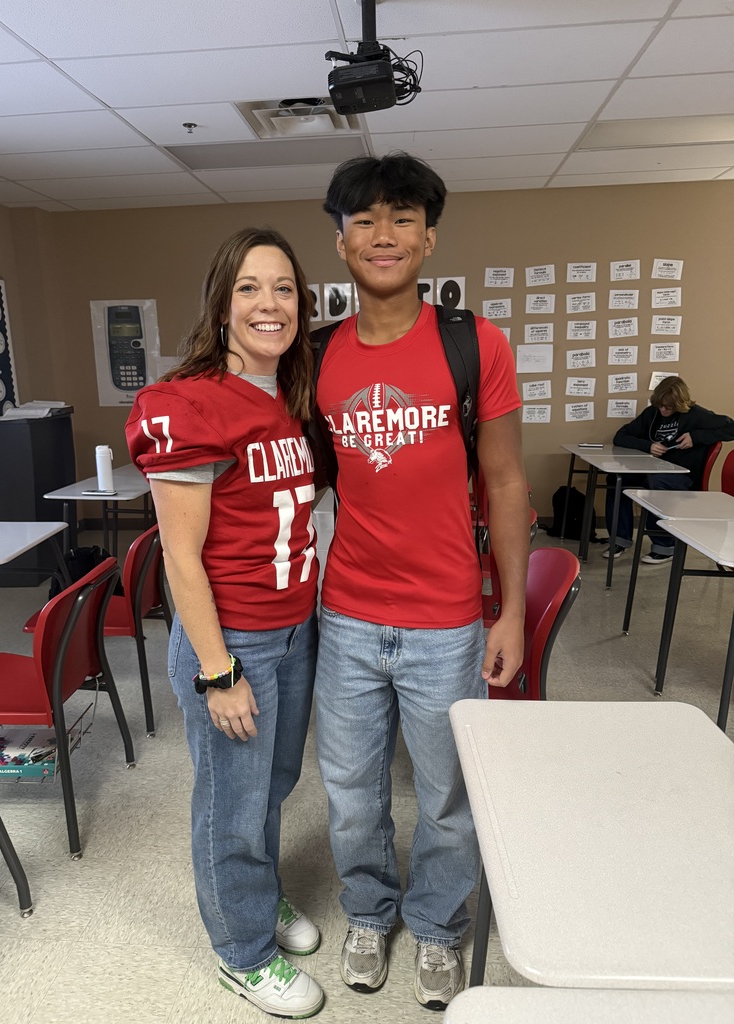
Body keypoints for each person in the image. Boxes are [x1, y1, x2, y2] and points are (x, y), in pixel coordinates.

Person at [312, 153, 529, 1009]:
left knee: (446, 795)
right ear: (340, 242)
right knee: (351, 793)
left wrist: (510, 612)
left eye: (402, 218)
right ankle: (370, 913)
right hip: (347, 617)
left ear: (429, 239)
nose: (384, 235)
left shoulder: (475, 345)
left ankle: (438, 925)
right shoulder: (317, 356)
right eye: (364, 220)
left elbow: (505, 482)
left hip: (445, 620)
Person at [125, 227, 324, 1020]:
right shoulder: (189, 401)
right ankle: (242, 953)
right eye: (248, 287)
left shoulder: (288, 394)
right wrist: (218, 671)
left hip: (294, 629)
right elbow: (180, 559)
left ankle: (258, 895)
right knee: (232, 805)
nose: (268, 303)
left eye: (283, 288)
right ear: (220, 303)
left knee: (273, 785)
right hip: (233, 641)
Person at [604, 375, 734, 564]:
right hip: (652, 470)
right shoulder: (652, 414)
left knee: (656, 483)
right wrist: (648, 446)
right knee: (616, 480)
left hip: (683, 476)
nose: (663, 410)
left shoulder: (697, 415)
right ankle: (620, 540)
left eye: (668, 407)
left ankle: (664, 546)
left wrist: (696, 437)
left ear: (680, 404)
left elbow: (731, 428)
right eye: (660, 406)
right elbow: (621, 436)